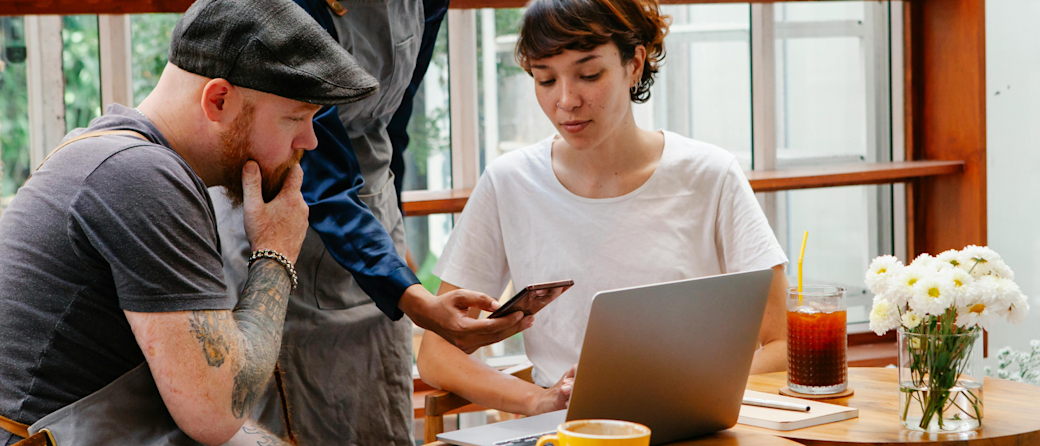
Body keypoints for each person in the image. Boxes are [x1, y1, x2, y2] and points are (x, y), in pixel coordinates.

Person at [0, 0, 514, 444]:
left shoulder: (122, 153)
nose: (310, 143)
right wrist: (276, 254)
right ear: (218, 100)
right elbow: (217, 413)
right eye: (297, 117)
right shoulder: (141, 179)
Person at [417, 0, 790, 417]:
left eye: (589, 75)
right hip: (565, 430)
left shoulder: (710, 175)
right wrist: (538, 400)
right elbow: (436, 352)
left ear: (634, 63)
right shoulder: (510, 181)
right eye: (544, 80)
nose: (566, 101)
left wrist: (686, 395)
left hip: (687, 422)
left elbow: (782, 344)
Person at [209, 0, 528, 444]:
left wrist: (390, 245)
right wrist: (411, 295)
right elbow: (317, 165)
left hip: (373, 225)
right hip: (285, 201)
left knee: (376, 411)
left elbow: (394, 126)